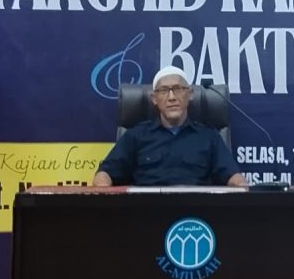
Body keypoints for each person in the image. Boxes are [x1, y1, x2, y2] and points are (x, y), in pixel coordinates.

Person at [92, 65, 248, 187]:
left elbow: (233, 177)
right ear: (154, 98)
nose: (172, 97)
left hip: (195, 213)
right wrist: (103, 189)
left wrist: (241, 186)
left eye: (178, 89)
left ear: (190, 94)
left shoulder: (209, 137)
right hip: (146, 211)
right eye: (164, 91)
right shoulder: (135, 136)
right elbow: (104, 175)